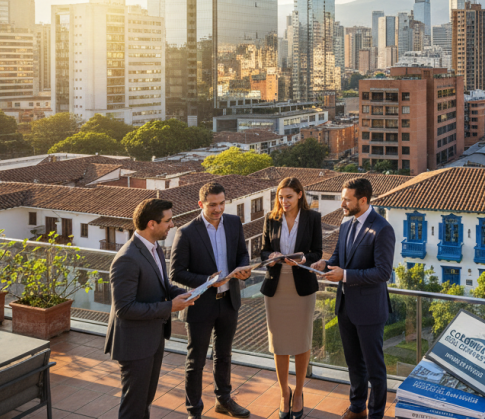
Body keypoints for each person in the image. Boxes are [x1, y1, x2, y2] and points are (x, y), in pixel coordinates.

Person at [313, 179, 396, 419]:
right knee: (354, 364)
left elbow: (383, 272)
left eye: (347, 199)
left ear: (363, 200)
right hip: (345, 306)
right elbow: (340, 256)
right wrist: (325, 263)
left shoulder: (382, 229)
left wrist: (345, 275)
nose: (342, 204)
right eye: (343, 198)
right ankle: (357, 407)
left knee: (374, 368)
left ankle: (376, 414)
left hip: (370, 310)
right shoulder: (347, 224)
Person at [105, 198, 195, 419]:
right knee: (133, 407)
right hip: (135, 345)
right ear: (151, 224)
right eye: (168, 221)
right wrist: (170, 307)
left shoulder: (154, 248)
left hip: (152, 339)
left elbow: (161, 283)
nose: (172, 225)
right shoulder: (127, 259)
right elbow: (124, 309)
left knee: (144, 401)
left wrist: (181, 293)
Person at [170, 182, 252, 419]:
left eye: (222, 203)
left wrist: (244, 267)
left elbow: (241, 253)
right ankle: (194, 411)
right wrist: (206, 280)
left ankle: (223, 400)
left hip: (229, 300)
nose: (218, 209)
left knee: (224, 355)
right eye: (212, 205)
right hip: (200, 304)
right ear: (201, 204)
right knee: (196, 360)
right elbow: (176, 272)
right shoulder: (186, 232)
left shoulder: (234, 223)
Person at [261, 177, 323, 419]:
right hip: (276, 286)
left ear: (299, 194)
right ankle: (283, 393)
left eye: (288, 196)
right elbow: (263, 250)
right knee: (279, 344)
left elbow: (317, 250)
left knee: (301, 342)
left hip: (302, 285)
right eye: (280, 196)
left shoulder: (313, 218)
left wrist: (303, 258)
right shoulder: (270, 218)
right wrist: (272, 255)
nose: (283, 201)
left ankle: (298, 393)